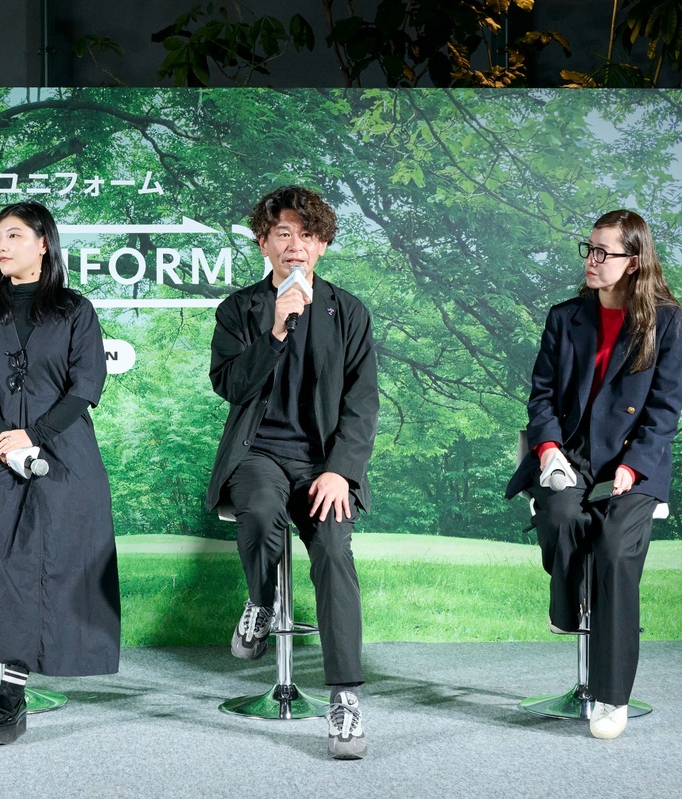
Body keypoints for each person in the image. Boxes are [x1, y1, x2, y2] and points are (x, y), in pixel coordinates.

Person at [207, 186, 378, 759]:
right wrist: (276, 330)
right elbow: (231, 385)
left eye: (307, 234)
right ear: (264, 243)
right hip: (258, 454)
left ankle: (345, 698)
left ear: (322, 245)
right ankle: (261, 601)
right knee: (258, 512)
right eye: (283, 233)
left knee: (332, 548)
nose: (295, 245)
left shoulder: (348, 312)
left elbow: (362, 403)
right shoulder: (239, 310)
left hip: (323, 464)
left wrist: (341, 472)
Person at [506, 209, 682, 740]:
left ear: (633, 261)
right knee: (561, 515)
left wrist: (633, 467)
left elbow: (665, 410)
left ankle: (612, 697)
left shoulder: (666, 322)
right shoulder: (564, 317)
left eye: (603, 252)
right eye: (588, 248)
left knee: (612, 550)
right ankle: (567, 604)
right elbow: (541, 397)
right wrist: (548, 451)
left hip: (636, 461)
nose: (591, 260)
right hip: (572, 455)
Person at [0, 201, 120, 745]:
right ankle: (9, 674)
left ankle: (13, 684)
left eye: (14, 236)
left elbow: (86, 387)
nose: (1, 246)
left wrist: (35, 435)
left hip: (61, 442)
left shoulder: (75, 310)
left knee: (57, 532)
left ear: (44, 243)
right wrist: (4, 437)